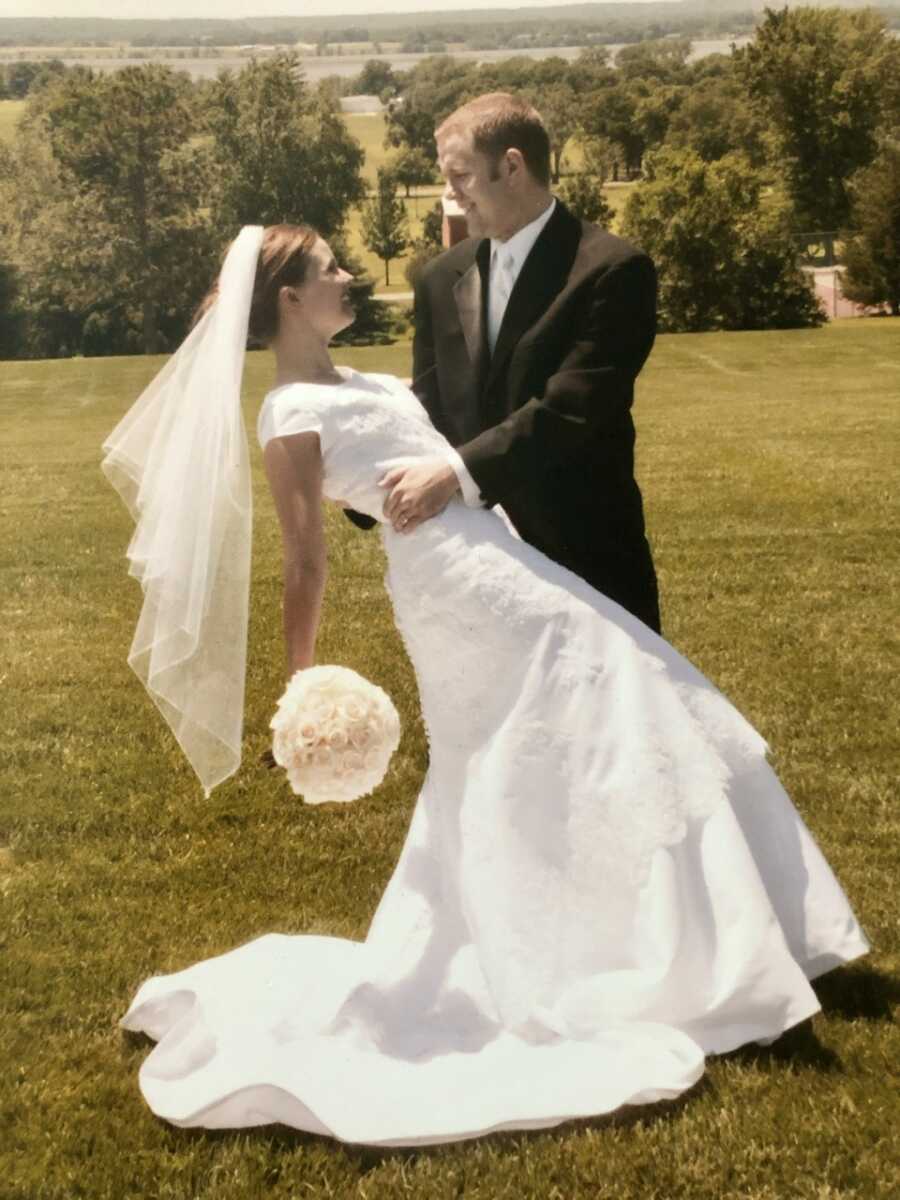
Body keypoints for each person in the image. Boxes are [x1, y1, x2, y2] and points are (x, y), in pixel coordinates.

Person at [107, 225, 868, 1148]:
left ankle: (665, 943)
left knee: (622, 703)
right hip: (453, 595)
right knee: (614, 697)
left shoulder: (376, 384)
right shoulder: (288, 415)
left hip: (503, 558)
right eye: (330, 270)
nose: (350, 276)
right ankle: (654, 954)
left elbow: (455, 451)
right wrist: (301, 683)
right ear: (292, 303)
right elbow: (305, 560)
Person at [378, 93, 662, 633]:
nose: (450, 195)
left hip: (587, 562)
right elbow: (431, 406)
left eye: (460, 176)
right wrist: (365, 461)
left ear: (511, 166)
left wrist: (451, 475)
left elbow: (571, 409)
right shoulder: (440, 279)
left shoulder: (613, 270)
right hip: (475, 568)